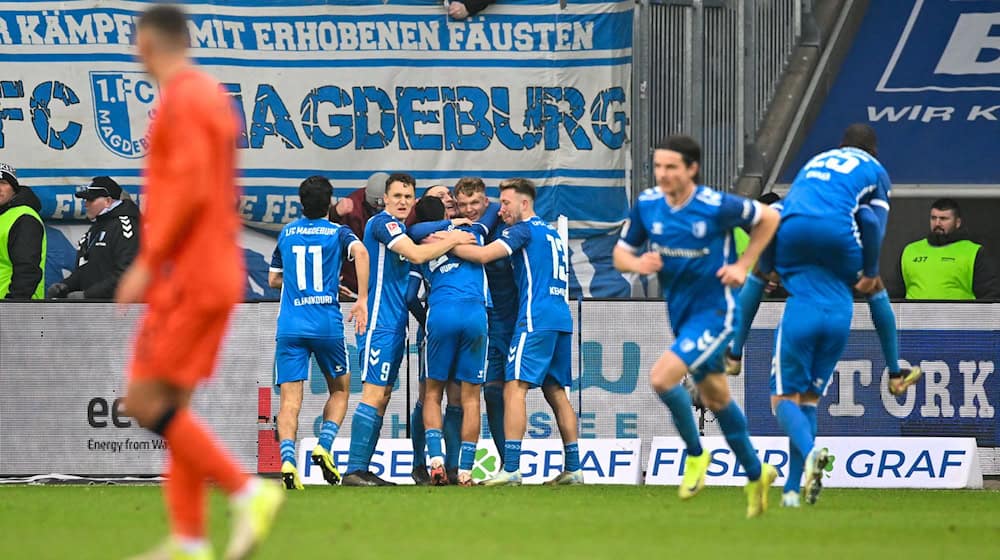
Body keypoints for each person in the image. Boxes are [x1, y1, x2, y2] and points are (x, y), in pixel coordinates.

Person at [116, 7, 283, 560]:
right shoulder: (210, 96)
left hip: (186, 272)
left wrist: (148, 259)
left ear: (147, 43)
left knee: (141, 400)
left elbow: (186, 186)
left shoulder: (182, 99)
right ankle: (189, 540)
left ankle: (247, 490)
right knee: (172, 405)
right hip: (214, 268)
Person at [612, 136, 781, 518]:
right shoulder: (649, 204)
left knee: (661, 378)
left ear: (692, 169)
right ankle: (756, 473)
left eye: (671, 167)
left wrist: (744, 265)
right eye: (658, 167)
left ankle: (695, 455)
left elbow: (770, 218)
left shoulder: (715, 205)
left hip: (716, 314)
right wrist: (638, 265)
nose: (663, 174)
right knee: (718, 399)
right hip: (681, 315)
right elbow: (621, 254)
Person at [767, 124, 916, 509]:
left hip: (802, 310)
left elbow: (770, 214)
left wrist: (763, 267)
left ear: (840, 146)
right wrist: (893, 365)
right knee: (808, 402)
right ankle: (791, 491)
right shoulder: (868, 186)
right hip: (840, 315)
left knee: (782, 400)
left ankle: (811, 455)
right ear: (874, 152)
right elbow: (871, 227)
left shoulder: (810, 180)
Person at [341, 173, 474, 486]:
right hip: (378, 321)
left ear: (414, 200)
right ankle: (354, 469)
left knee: (384, 394)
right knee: (374, 393)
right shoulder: (384, 224)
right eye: (396, 195)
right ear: (384, 199)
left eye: (406, 197)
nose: (401, 201)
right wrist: (454, 238)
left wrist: (449, 227)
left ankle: (361, 469)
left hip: (394, 322)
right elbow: (416, 254)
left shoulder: (401, 228)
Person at [451, 178, 583, 487]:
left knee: (514, 388)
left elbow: (483, 256)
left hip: (534, 318)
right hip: (560, 316)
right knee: (556, 392)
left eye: (506, 203)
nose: (501, 210)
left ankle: (511, 468)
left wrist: (445, 245)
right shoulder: (550, 232)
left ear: (524, 204)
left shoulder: (522, 230)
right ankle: (574, 468)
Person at [267, 176, 369, 490]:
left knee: (289, 401)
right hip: (326, 324)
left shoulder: (287, 233)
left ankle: (287, 460)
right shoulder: (339, 232)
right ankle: (324, 446)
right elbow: (361, 254)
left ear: (301, 203)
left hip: (291, 326)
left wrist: (300, 286)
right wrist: (362, 298)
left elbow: (274, 280)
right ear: (329, 203)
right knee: (340, 390)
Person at [410, 196, 489, 486]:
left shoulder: (418, 247)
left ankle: (436, 462)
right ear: (444, 214)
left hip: (440, 313)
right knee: (470, 398)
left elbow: (410, 294)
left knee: (432, 394)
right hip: (474, 313)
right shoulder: (475, 231)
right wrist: (455, 233)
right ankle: (466, 471)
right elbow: (477, 232)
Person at [453, 177, 512, 460]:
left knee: (520, 391)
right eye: (463, 204)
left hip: (507, 318)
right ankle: (505, 464)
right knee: (488, 392)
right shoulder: (455, 229)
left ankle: (567, 462)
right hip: (475, 320)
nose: (469, 209)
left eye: (475, 202)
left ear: (486, 201)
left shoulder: (502, 225)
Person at [47, 177, 140, 299]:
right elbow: (85, 270)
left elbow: (127, 273)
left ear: (108, 201)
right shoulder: (96, 228)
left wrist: (88, 295)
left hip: (119, 310)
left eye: (91, 200)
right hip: (95, 309)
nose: (86, 204)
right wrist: (65, 285)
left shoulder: (125, 226)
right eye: (85, 200)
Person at [901, 198, 1000, 300]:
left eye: (943, 219)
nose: (937, 223)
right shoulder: (910, 250)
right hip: (914, 316)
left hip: (959, 315)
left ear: (957, 222)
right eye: (933, 218)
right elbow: (894, 293)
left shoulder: (973, 252)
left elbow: (989, 297)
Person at [328, 171, 389, 298]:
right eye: (374, 208)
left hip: (387, 280)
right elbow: (327, 231)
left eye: (383, 208)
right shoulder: (352, 207)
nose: (378, 211)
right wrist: (335, 214)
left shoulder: (401, 204)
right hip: (353, 281)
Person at [0, 163, 45, 299]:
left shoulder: (23, 217)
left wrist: (13, 305)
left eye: (2, 183)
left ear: (14, 189)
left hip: (13, 309)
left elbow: (27, 270)